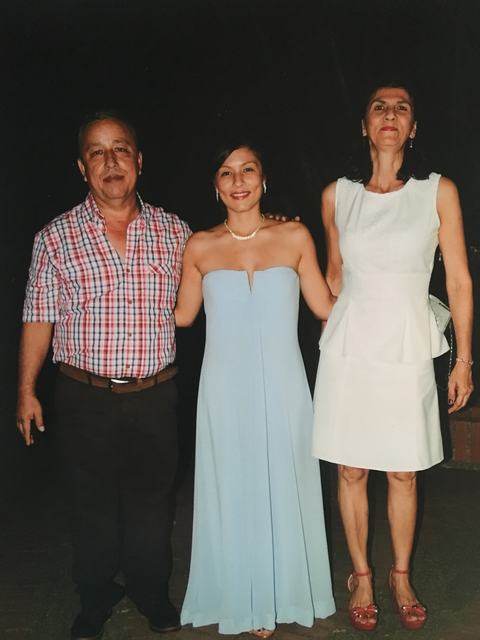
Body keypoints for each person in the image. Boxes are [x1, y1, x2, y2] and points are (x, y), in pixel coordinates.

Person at [16, 111, 190, 639]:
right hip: (82, 395)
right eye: (97, 151)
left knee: (151, 505)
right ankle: (94, 596)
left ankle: (150, 592)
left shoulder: (176, 232)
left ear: (139, 160)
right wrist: (25, 390)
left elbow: (228, 260)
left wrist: (267, 224)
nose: (110, 161)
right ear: (81, 166)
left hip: (155, 395)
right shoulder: (54, 238)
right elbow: (38, 317)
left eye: (120, 149)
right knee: (90, 504)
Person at [312, 82, 474, 631]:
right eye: (379, 107)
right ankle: (361, 574)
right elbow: (333, 277)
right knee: (351, 467)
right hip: (350, 347)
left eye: (401, 108)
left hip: (407, 345)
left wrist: (464, 359)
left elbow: (458, 280)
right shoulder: (337, 195)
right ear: (364, 125)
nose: (390, 114)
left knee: (404, 471)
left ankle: (400, 575)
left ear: (413, 127)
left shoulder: (437, 191)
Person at [175, 143, 336, 637]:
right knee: (234, 483)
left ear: (263, 179)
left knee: (284, 479)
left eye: (248, 170)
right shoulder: (199, 245)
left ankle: (280, 593)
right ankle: (241, 598)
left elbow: (325, 306)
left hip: (284, 385)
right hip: (223, 388)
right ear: (216, 185)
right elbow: (182, 315)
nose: (238, 180)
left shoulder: (294, 235)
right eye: (226, 172)